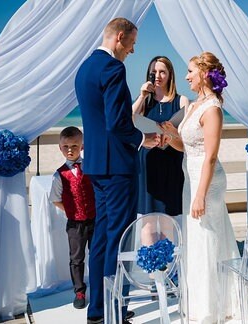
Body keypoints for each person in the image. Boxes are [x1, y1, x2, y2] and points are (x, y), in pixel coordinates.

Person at [74, 17, 159, 324]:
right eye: (132, 44)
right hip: (118, 167)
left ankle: (99, 309)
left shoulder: (84, 68)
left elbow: (98, 121)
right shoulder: (112, 67)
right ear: (120, 37)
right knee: (119, 239)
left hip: (96, 165)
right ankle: (114, 311)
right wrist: (143, 138)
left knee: (100, 239)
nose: (132, 52)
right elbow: (116, 122)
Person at [162, 52, 247, 323]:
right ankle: (202, 301)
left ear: (204, 74)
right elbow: (186, 148)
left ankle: (212, 308)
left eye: (190, 71)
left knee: (207, 239)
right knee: (197, 241)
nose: (186, 76)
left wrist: (200, 195)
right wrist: (170, 137)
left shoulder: (212, 109)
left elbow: (210, 155)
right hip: (192, 176)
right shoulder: (194, 105)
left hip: (206, 182)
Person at [133, 56, 189, 222]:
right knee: (147, 221)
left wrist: (171, 134)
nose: (157, 76)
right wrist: (142, 95)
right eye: (153, 72)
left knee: (171, 220)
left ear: (170, 74)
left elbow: (185, 135)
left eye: (162, 72)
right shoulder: (144, 101)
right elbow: (127, 120)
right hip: (148, 164)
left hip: (171, 164)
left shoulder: (181, 101)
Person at [49, 126, 95, 310]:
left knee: (97, 254)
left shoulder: (91, 167)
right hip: (75, 224)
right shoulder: (59, 175)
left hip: (95, 219)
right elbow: (55, 199)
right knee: (76, 258)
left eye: (74, 145)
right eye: (66, 146)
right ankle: (79, 291)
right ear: (60, 148)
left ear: (82, 146)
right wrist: (70, 210)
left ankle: (98, 286)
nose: (70, 150)